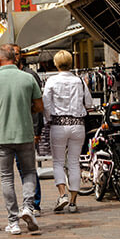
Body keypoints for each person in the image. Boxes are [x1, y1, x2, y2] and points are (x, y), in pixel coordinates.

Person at [0, 44, 44, 234]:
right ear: (15, 59)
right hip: (24, 132)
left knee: (7, 177)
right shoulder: (27, 78)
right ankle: (28, 207)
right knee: (29, 172)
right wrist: (26, 109)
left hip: (2, 135)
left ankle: (13, 221)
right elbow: (39, 106)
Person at [43, 49, 93, 213]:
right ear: (71, 63)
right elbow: (89, 103)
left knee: (58, 161)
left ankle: (62, 194)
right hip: (78, 124)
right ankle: (73, 202)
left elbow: (46, 103)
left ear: (56, 64)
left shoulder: (51, 81)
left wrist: (49, 118)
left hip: (58, 124)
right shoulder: (79, 81)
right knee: (73, 162)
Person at [11, 45, 43, 214]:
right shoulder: (9, 76)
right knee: (22, 167)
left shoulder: (30, 75)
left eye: (16, 54)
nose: (14, 57)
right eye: (12, 54)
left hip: (28, 128)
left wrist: (37, 130)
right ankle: (30, 202)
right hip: (14, 129)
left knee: (27, 167)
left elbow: (37, 105)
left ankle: (34, 203)